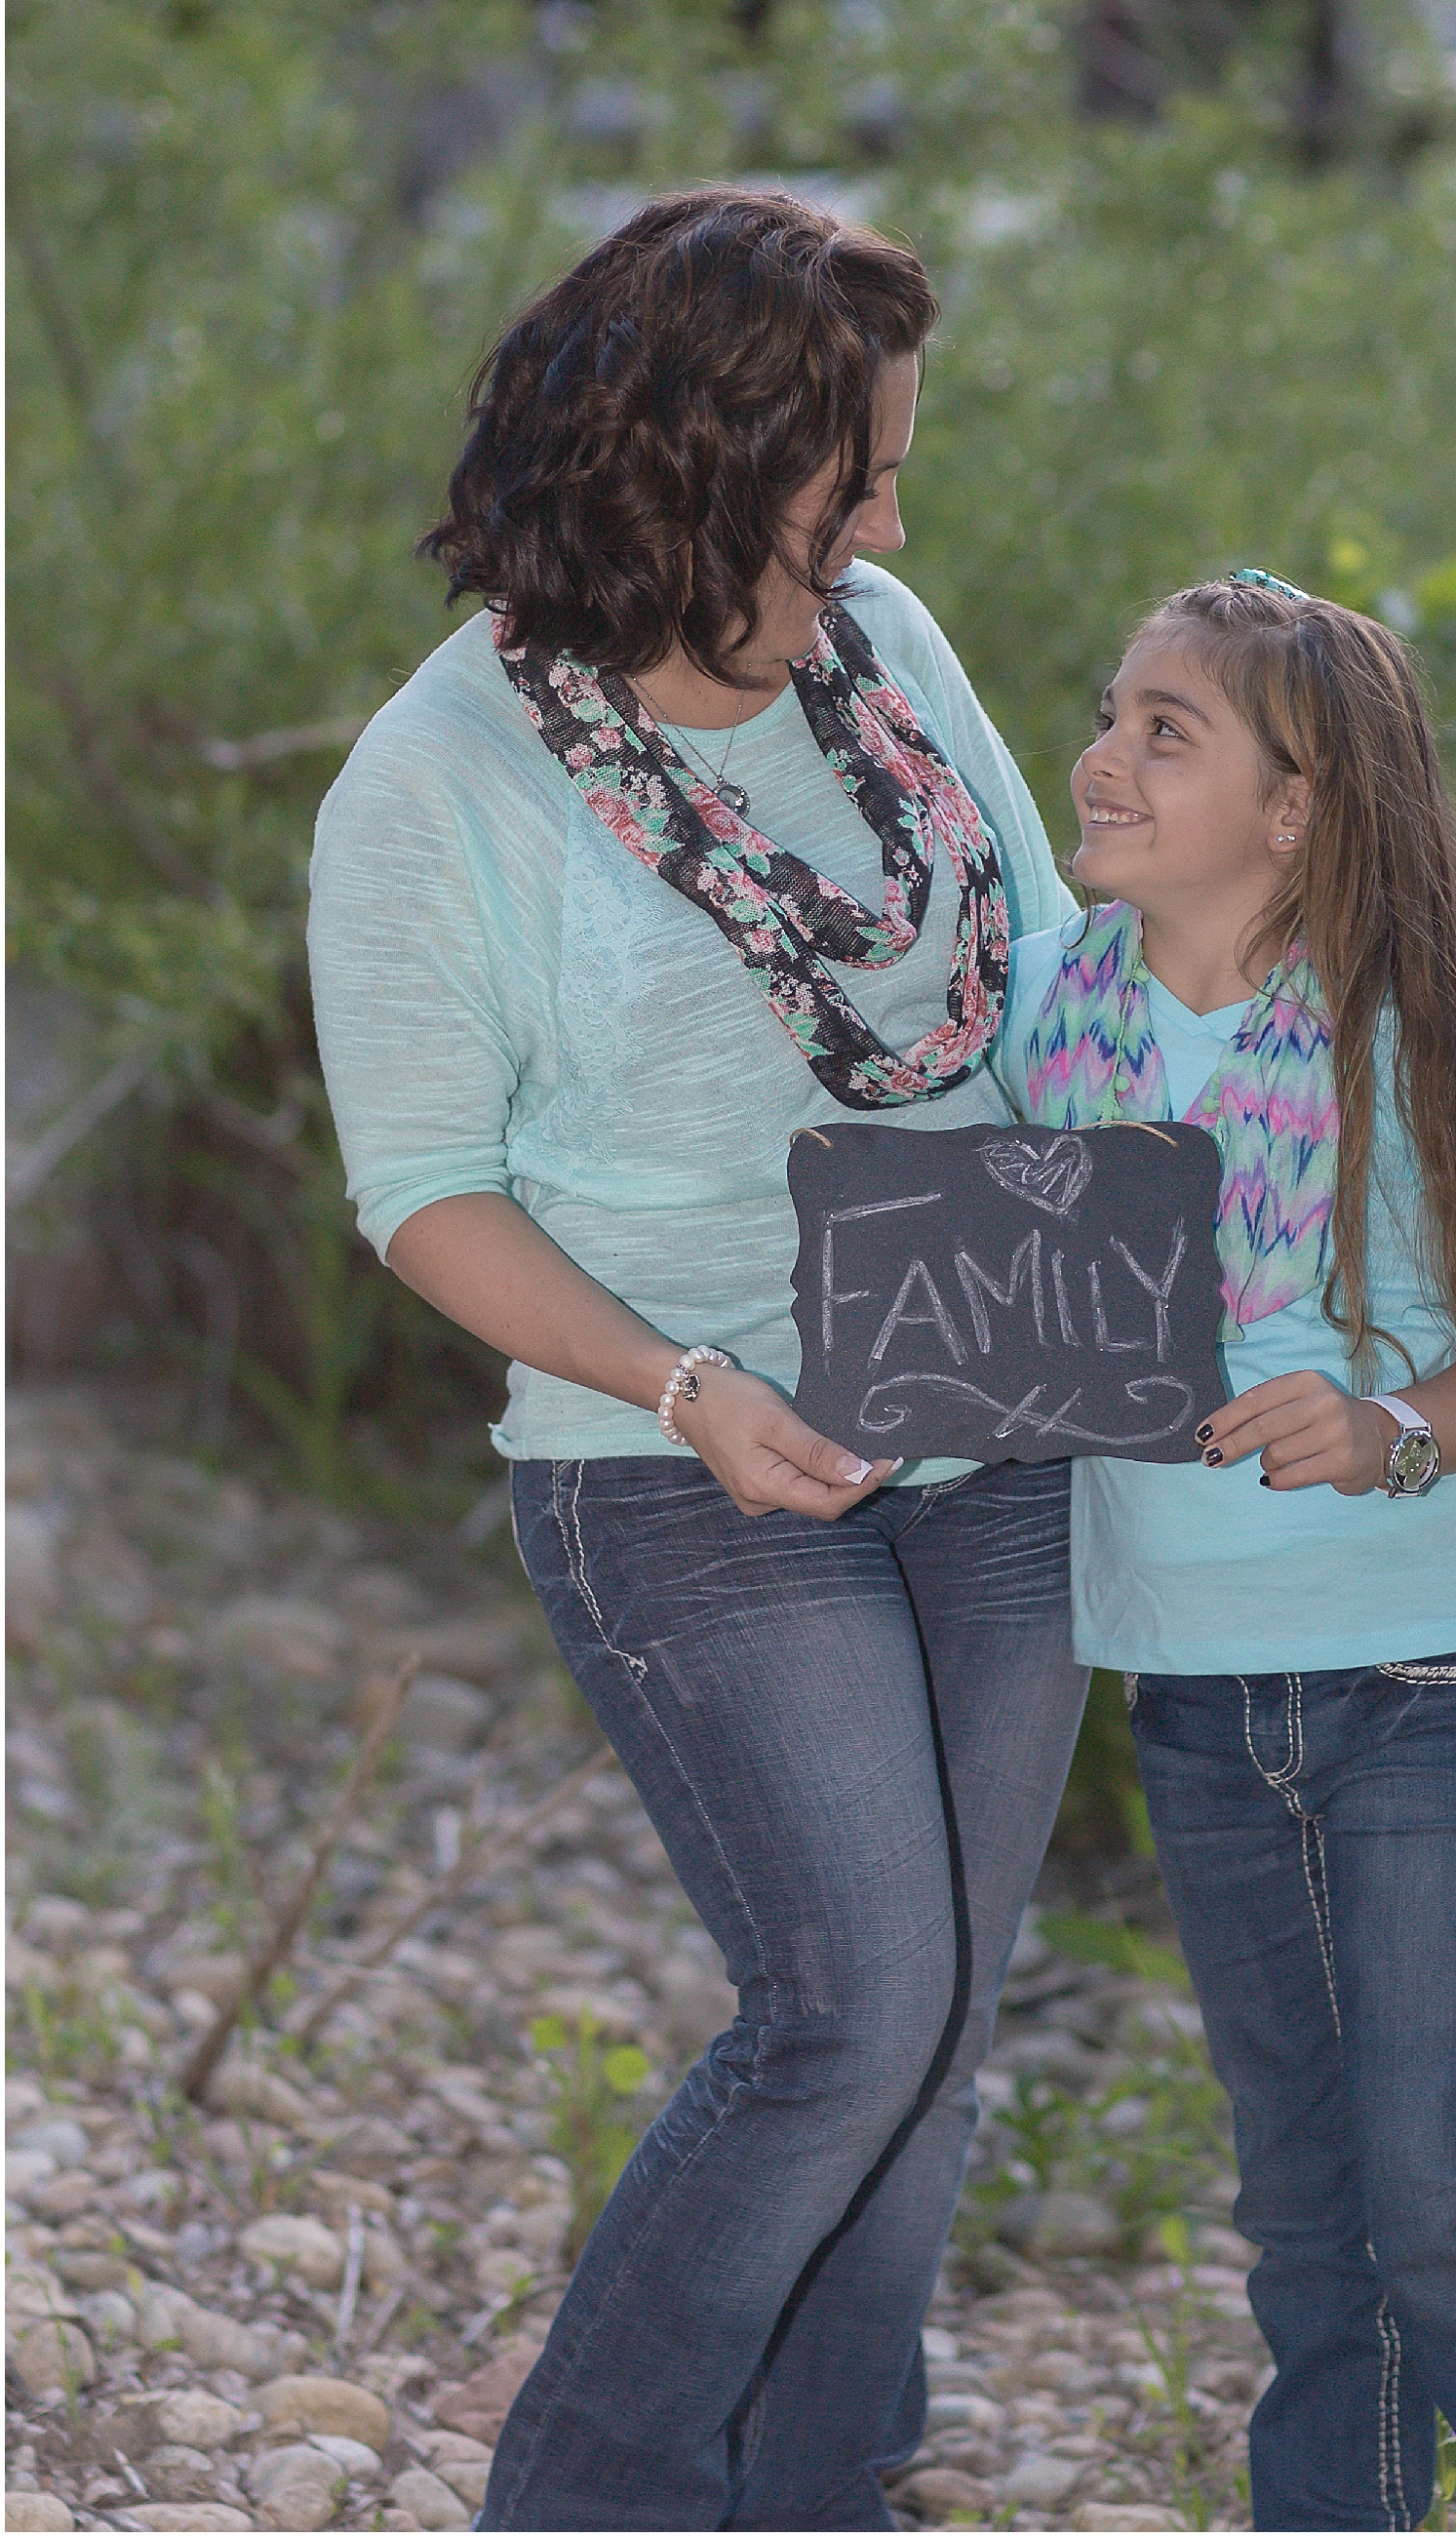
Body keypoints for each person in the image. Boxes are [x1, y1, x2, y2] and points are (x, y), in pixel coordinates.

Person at [307, 187, 1087, 2531]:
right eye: (844, 483)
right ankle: (589, 2493)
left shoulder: (888, 650)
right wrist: (683, 1390)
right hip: (682, 1460)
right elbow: (426, 1186)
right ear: (682, 469)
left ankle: (822, 2486)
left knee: (942, 2029)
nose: (884, 521)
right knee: (848, 2004)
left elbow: (1041, 967)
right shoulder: (437, 782)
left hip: (1002, 1385)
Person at [1000, 574, 1456, 2532]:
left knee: (1444, 2200)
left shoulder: (1411, 1047)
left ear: (1295, 810)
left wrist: (1388, 1431)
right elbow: (971, 1302)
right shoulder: (1044, 1009)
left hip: (1425, 1681)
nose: (1101, 756)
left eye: (1164, 731)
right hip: (1193, 1696)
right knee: (1303, 2226)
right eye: (1107, 711)